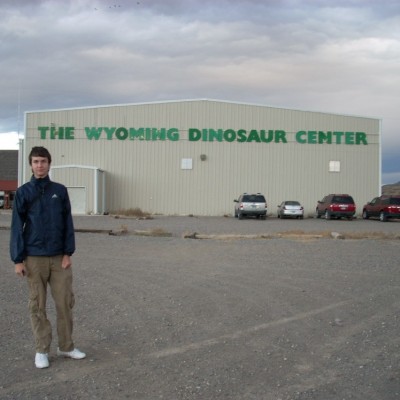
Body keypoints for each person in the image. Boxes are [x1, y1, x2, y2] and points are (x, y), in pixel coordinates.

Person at [10, 146, 86, 369]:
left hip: (58, 258)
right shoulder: (24, 192)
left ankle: (66, 346)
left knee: (64, 303)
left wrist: (67, 253)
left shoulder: (59, 191)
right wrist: (18, 259)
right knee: (37, 305)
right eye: (35, 161)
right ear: (31, 165)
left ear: (49, 163)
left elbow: (67, 224)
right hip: (34, 258)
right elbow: (16, 227)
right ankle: (41, 350)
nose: (39, 165)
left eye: (43, 161)